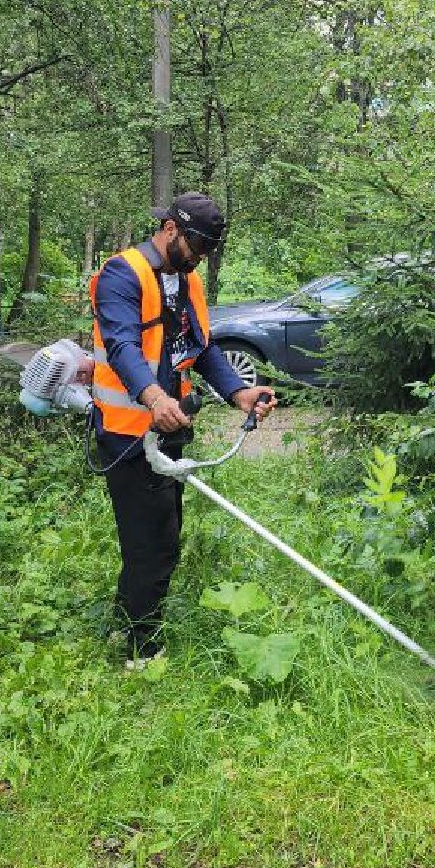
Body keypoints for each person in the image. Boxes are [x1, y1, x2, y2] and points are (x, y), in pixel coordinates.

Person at [88, 192, 276, 663]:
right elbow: (121, 345)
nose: (199, 257)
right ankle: (142, 651)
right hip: (128, 432)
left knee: (157, 538)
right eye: (196, 246)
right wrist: (153, 396)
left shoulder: (188, 282)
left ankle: (125, 625)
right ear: (170, 228)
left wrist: (238, 392)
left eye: (208, 251)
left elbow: (203, 347)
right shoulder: (122, 273)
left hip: (169, 431)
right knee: (151, 544)